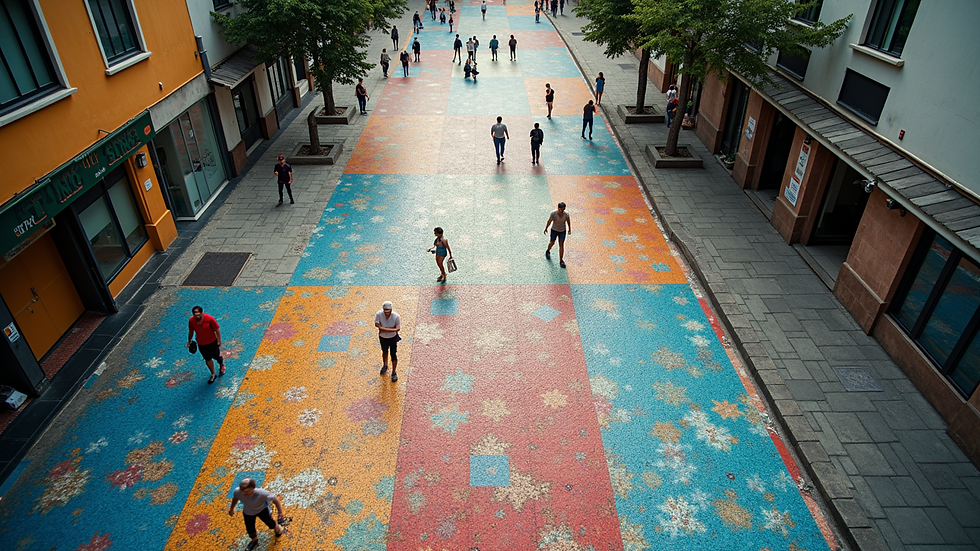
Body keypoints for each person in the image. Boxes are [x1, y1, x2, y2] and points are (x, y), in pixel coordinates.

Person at [229, 478, 286, 550]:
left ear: (253, 488)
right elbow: (235, 498)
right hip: (248, 512)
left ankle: (277, 528)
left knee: (270, 523)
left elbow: (275, 499)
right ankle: (254, 539)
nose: (244, 494)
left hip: (262, 510)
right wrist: (232, 508)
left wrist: (280, 512)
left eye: (247, 492)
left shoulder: (262, 493)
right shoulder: (237, 491)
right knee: (250, 528)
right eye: (243, 492)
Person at [186, 305, 224, 384]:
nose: (197, 317)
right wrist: (189, 341)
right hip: (201, 344)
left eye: (199, 315)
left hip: (212, 342)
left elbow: (217, 330)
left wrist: (219, 341)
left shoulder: (210, 319)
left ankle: (221, 364)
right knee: (207, 359)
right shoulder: (191, 320)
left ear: (202, 313)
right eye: (195, 315)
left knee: (216, 356)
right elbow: (191, 331)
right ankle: (213, 374)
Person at [375, 301, 402, 382]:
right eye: (385, 310)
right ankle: (385, 365)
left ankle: (394, 372)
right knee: (384, 351)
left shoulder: (396, 316)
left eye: (388, 311)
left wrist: (383, 328)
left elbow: (397, 328)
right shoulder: (379, 314)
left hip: (392, 338)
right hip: (383, 337)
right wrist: (392, 329)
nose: (386, 313)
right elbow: (377, 325)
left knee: (393, 354)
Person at [544, 202, 571, 268]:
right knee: (552, 242)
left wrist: (569, 229)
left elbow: (568, 221)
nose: (562, 211)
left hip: (562, 231)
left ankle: (561, 260)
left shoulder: (566, 214)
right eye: (561, 209)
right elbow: (549, 221)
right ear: (558, 208)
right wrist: (546, 228)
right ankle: (548, 250)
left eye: (563, 209)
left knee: (561, 245)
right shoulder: (553, 213)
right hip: (554, 230)